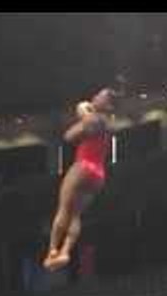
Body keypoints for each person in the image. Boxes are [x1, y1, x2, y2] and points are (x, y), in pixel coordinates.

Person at [44, 88, 116, 272]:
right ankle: (66, 252)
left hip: (83, 166)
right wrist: (83, 119)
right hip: (98, 174)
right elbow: (69, 136)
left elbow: (83, 121)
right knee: (75, 215)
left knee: (63, 209)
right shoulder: (104, 122)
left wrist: (83, 108)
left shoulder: (98, 118)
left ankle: (52, 251)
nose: (94, 97)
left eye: (100, 96)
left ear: (108, 104)